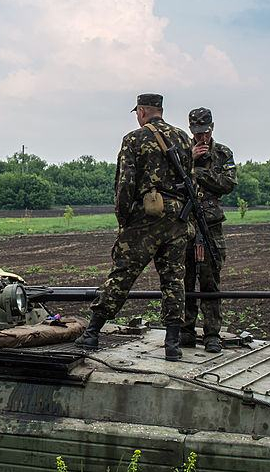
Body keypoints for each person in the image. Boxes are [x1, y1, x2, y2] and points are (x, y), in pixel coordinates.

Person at [77, 93, 195, 361]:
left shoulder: (134, 138)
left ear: (142, 111)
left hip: (147, 216)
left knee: (123, 273)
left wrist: (124, 221)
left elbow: (125, 183)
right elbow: (192, 180)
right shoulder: (183, 138)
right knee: (174, 280)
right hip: (178, 218)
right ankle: (173, 345)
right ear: (160, 111)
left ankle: (92, 333)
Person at [181, 107, 237, 354]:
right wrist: (189, 160)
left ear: (212, 128)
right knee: (185, 279)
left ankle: (212, 334)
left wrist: (197, 172)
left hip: (211, 226)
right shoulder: (182, 151)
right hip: (186, 225)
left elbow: (228, 184)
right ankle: (186, 329)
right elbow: (170, 180)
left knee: (210, 281)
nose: (201, 137)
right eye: (196, 132)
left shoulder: (223, 153)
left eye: (204, 132)